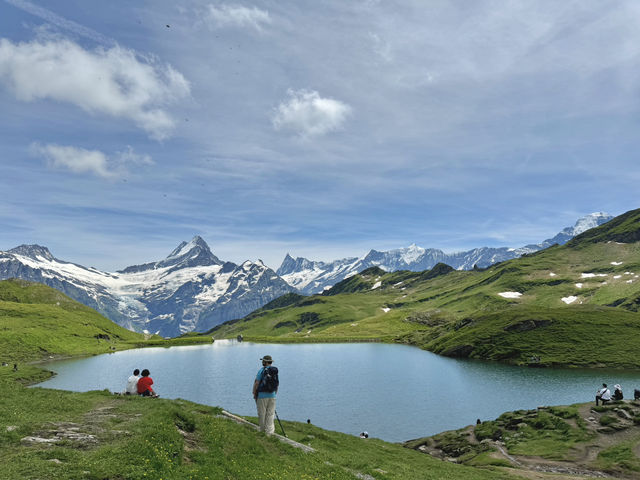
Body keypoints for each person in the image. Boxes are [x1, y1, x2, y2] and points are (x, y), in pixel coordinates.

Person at [252, 355, 278, 435]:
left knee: (262, 413)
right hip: (272, 395)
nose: (262, 362)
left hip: (262, 396)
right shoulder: (274, 371)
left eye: (263, 361)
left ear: (265, 362)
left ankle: (262, 432)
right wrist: (274, 393)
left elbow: (257, 383)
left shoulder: (262, 371)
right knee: (270, 414)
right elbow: (277, 384)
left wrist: (254, 392)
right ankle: (269, 432)